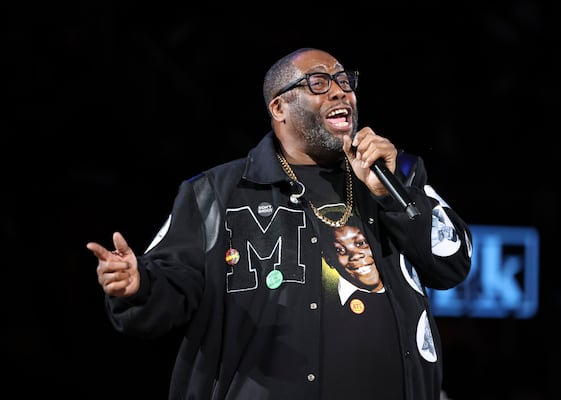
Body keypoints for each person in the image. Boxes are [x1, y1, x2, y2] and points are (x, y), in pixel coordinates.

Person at [86, 47, 473, 400]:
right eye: (318, 82)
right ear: (279, 107)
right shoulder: (219, 192)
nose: (339, 91)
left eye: (344, 80)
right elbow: (172, 283)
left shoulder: (395, 174)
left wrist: (392, 196)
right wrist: (139, 285)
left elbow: (452, 263)